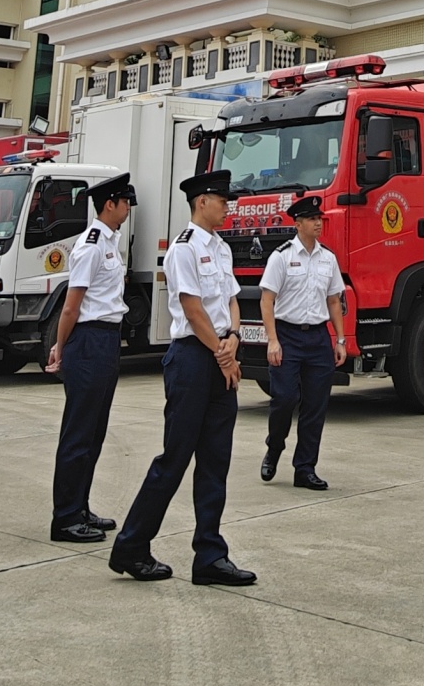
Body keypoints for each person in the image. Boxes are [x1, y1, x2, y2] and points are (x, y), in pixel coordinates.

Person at [108, 169, 252, 587]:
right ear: (201, 202)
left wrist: (236, 339)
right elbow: (192, 310)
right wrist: (223, 356)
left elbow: (230, 302)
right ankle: (131, 546)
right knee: (174, 459)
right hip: (192, 358)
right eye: (222, 200)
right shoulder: (183, 249)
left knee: (215, 462)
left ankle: (210, 556)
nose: (228, 207)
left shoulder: (222, 249)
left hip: (221, 351)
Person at [44, 175, 132, 545]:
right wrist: (60, 347)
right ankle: (64, 518)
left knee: (94, 432)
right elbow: (71, 305)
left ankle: (80, 506)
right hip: (88, 339)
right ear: (109, 204)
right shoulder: (91, 245)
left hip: (106, 338)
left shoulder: (110, 242)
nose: (129, 208)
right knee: (79, 433)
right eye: (125, 202)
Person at [258, 195, 344, 490]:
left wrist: (340, 339)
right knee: (283, 399)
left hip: (318, 337)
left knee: (315, 405)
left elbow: (334, 301)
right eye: (311, 219)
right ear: (298, 224)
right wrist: (272, 340)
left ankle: (305, 468)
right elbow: (267, 300)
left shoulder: (328, 258)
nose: (318, 223)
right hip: (288, 335)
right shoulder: (281, 256)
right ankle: (275, 445)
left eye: (319, 218)